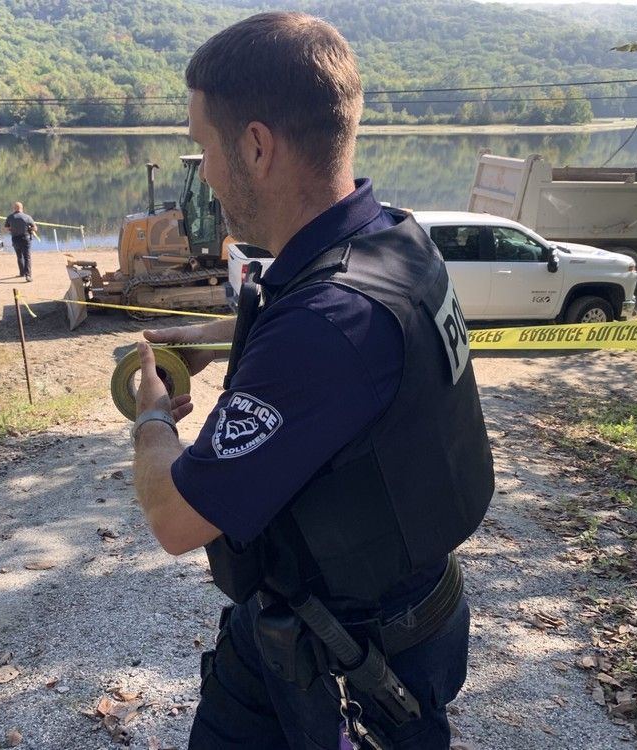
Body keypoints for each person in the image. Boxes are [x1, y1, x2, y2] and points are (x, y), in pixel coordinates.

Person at [130, 12, 494, 749]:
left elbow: (174, 517)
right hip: (415, 621)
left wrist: (151, 419)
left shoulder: (323, 329)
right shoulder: (398, 240)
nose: (203, 169)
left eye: (203, 148)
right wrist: (221, 338)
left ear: (257, 145)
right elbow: (356, 346)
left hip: (335, 670)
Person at [4, 201, 38, 281]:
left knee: (19, 256)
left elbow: (6, 228)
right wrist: (30, 228)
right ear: (22, 208)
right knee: (27, 257)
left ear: (14, 208)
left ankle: (22, 273)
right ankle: (28, 275)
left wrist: (12, 229)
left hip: (15, 239)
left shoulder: (10, 217)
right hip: (26, 239)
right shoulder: (27, 217)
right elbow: (35, 228)